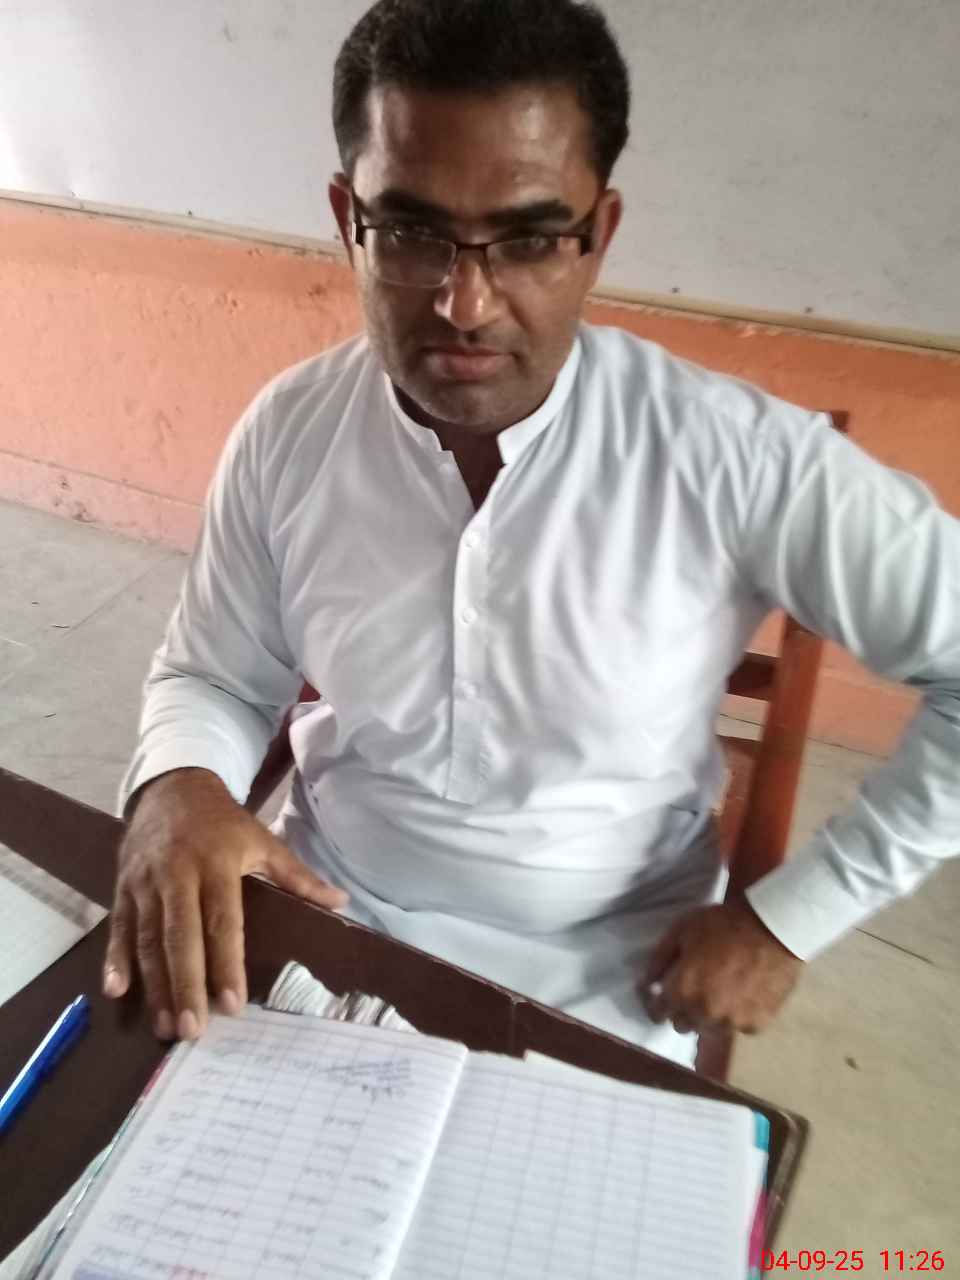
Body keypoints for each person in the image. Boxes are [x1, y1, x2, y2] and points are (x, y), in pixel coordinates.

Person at [104, 0, 960, 1067]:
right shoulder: (292, 430)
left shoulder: (734, 457)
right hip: (329, 919)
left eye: (530, 238)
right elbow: (216, 673)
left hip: (616, 968)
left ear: (599, 234)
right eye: (411, 232)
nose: (465, 304)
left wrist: (791, 917)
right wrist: (180, 782)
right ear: (346, 219)